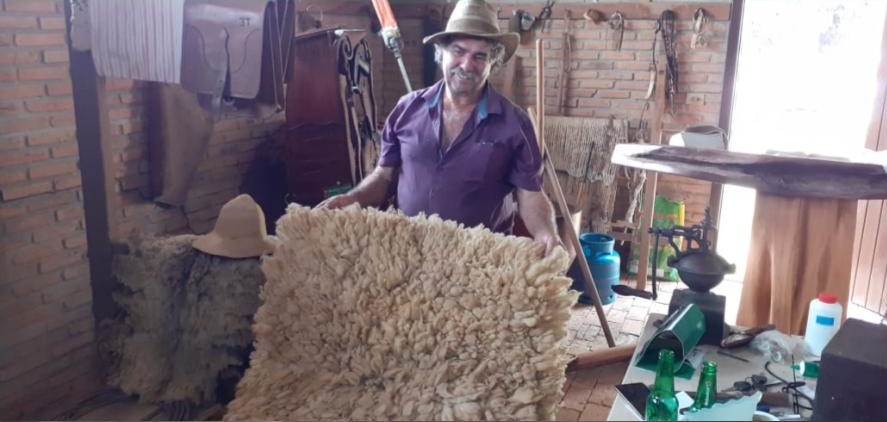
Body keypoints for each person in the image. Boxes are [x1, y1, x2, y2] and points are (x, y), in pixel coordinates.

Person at [319, 0, 563, 256]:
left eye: (480, 56)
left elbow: (530, 195)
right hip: (406, 254)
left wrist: (547, 233)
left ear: (494, 61)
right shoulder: (407, 110)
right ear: (441, 52)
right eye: (458, 51)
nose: (467, 65)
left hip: (480, 261)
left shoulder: (514, 124)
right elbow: (383, 177)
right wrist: (352, 198)